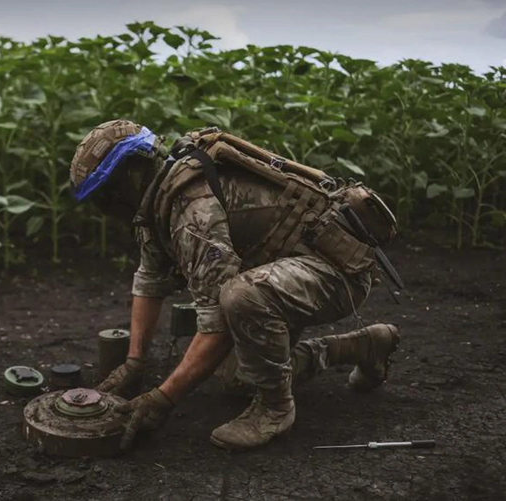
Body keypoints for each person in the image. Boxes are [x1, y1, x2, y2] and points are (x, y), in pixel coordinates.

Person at [69, 119, 403, 451]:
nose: (105, 209)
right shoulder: (159, 201)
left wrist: (161, 399)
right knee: (238, 377)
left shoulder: (191, 208)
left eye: (105, 196)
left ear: (128, 177)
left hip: (338, 272)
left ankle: (275, 410)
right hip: (293, 270)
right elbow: (149, 280)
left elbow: (215, 323)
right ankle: (363, 346)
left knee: (240, 296)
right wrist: (134, 364)